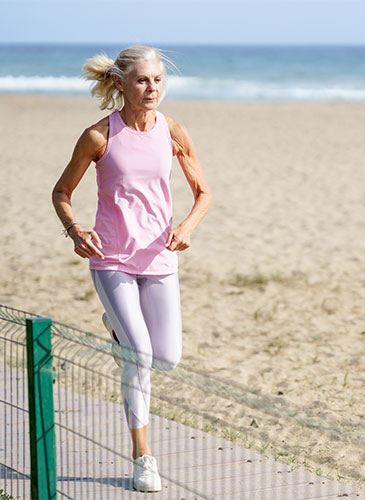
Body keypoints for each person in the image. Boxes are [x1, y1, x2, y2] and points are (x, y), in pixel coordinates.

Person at [51, 45, 212, 492]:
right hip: (112, 259)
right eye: (142, 80)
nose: (152, 88)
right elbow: (61, 192)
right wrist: (76, 231)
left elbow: (204, 193)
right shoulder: (99, 136)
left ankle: (118, 330)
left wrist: (187, 227)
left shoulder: (173, 131)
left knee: (167, 359)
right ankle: (144, 458)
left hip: (159, 257)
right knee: (139, 358)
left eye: (158, 80)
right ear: (121, 84)